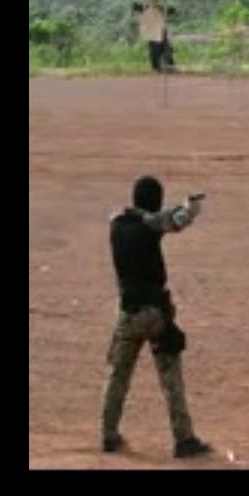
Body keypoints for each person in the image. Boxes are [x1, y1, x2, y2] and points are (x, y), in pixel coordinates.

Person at [101, 175, 212, 459]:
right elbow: (174, 221)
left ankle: (108, 433)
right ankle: (183, 438)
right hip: (154, 313)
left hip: (128, 312)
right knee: (170, 377)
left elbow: (148, 218)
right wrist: (190, 207)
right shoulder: (149, 225)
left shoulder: (116, 223)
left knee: (118, 376)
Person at [131, 0, 177, 73]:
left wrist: (162, 6)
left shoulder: (161, 7)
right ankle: (156, 68)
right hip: (152, 33)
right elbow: (135, 7)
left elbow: (172, 10)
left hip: (161, 31)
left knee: (166, 49)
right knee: (154, 51)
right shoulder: (146, 7)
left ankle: (170, 67)